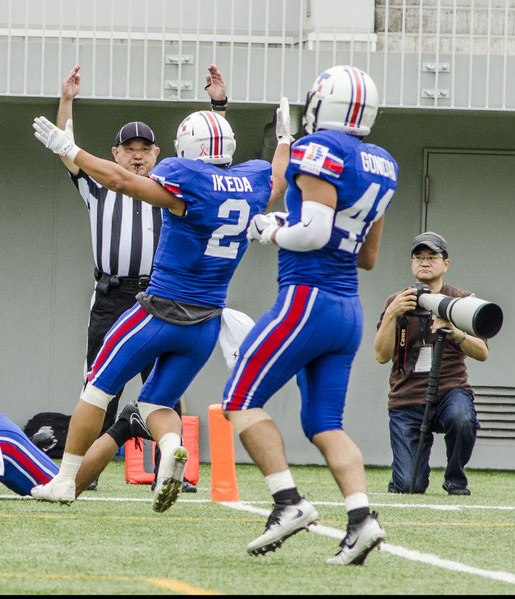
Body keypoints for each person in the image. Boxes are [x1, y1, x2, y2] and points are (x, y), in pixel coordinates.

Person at [30, 83, 290, 513]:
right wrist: (284, 140)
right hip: (206, 324)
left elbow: (119, 180)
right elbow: (278, 180)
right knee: (154, 402)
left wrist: (69, 148)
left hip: (158, 311)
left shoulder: (184, 180)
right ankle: (170, 446)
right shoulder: (252, 182)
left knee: (96, 390)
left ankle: (63, 480)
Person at [222, 65, 397, 566]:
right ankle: (362, 519)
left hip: (306, 299)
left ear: (324, 104)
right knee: (324, 423)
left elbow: (315, 233)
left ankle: (288, 502)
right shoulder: (382, 163)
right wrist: (291, 220)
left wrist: (271, 232)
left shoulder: (318, 149)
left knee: (240, 397)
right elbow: (365, 256)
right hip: (348, 310)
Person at [55, 64, 238, 493]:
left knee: (162, 388)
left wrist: (218, 107)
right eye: (128, 147)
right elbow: (65, 149)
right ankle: (86, 473)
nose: (137, 154)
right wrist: (66, 102)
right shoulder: (98, 186)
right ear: (115, 154)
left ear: (158, 153)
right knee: (100, 386)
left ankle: (166, 472)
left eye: (145, 147)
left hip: (159, 297)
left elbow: (212, 158)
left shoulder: (175, 188)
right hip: (112, 295)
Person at [373, 231, 487, 496]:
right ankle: (406, 476)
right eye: (419, 257)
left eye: (432, 257)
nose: (424, 262)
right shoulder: (396, 301)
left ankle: (455, 478)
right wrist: (392, 314)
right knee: (408, 487)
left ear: (445, 263)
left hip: (450, 391)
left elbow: (482, 352)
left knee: (461, 418)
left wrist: (455, 332)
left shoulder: (461, 301)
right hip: (406, 398)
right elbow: (380, 355)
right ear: (412, 263)